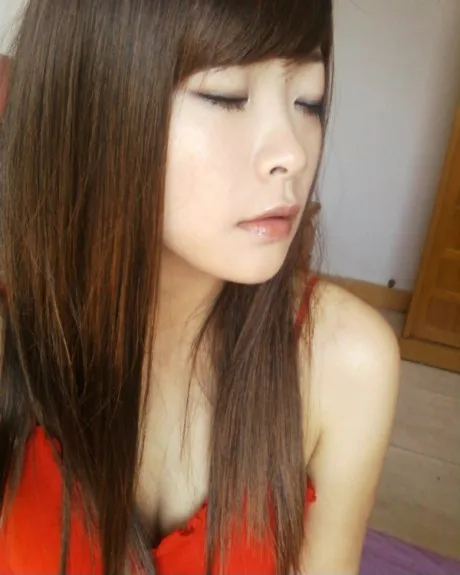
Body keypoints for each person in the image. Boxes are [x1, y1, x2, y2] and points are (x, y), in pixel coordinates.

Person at [0, 1, 400, 574]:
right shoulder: (14, 336)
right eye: (226, 95)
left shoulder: (344, 363)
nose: (292, 153)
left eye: (308, 101)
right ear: (92, 97)